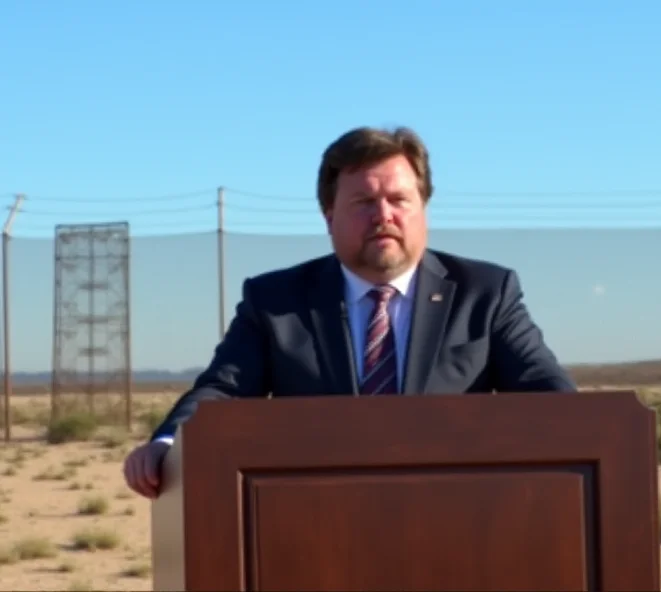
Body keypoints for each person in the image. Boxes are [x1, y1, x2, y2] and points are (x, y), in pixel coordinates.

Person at [123, 125, 577, 498]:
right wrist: (167, 444)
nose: (384, 215)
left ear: (423, 209)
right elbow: (222, 390)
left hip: (457, 514)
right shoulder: (276, 302)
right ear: (328, 216)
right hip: (321, 519)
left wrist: (590, 433)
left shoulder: (486, 293)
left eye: (399, 200)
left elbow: (546, 389)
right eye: (363, 202)